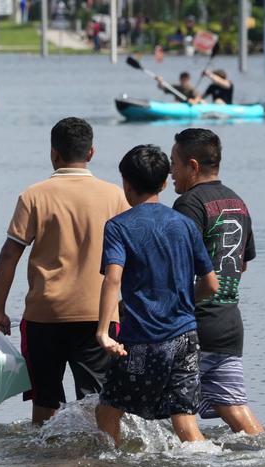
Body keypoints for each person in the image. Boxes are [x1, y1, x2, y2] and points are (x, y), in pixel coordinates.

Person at [0, 117, 129, 426]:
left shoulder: (34, 196)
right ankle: (97, 466)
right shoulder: (116, 196)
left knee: (45, 402)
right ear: (91, 152)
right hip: (100, 317)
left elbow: (10, 253)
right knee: (97, 402)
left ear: (53, 153)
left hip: (45, 316)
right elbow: (130, 259)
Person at [95, 144, 219, 447]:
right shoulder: (185, 225)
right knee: (184, 420)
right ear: (165, 183)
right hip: (185, 338)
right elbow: (211, 284)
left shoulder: (118, 227)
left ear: (126, 183)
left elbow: (113, 277)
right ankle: (209, 466)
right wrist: (183, 305)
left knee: (108, 412)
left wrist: (102, 332)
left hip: (140, 341)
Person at [171, 128, 265, 436]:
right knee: (234, 407)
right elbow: (243, 265)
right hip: (228, 324)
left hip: (195, 324)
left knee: (177, 408)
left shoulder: (189, 204)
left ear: (193, 166)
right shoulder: (237, 202)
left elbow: (177, 267)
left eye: (175, 162)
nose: (171, 172)